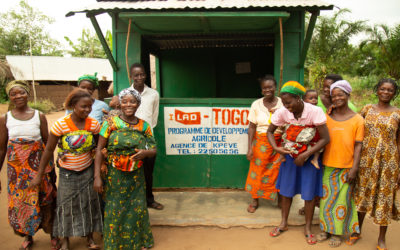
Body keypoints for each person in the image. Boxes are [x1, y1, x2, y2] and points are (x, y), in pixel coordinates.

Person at [31, 89, 103, 250]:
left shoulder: (93, 124)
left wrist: (99, 172)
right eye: (83, 106)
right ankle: (65, 240)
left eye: (89, 107)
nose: (87, 110)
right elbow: (49, 150)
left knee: (88, 204)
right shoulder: (61, 124)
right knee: (65, 206)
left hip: (88, 170)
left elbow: (99, 148)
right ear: (72, 106)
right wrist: (39, 174)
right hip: (67, 173)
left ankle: (89, 238)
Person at [267, 81, 330, 245]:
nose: (287, 106)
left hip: (309, 158)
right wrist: (277, 148)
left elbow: (325, 138)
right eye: (284, 103)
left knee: (308, 193)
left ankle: (308, 228)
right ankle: (283, 223)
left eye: (289, 102)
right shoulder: (283, 112)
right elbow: (270, 131)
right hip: (290, 156)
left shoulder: (314, 111)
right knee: (286, 191)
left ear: (298, 98)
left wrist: (306, 155)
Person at [94, 88, 156, 250]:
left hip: (136, 176)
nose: (128, 105)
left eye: (132, 102)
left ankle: (140, 241)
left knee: (137, 206)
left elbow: (154, 149)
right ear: (120, 104)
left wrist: (145, 153)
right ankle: (115, 244)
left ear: (138, 104)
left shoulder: (144, 126)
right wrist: (97, 177)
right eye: (125, 101)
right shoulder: (110, 123)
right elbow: (100, 149)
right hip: (114, 175)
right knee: (115, 207)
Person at [0, 80, 58, 250]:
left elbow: (47, 144)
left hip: (39, 167)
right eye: (13, 94)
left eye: (21, 92)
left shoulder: (39, 116)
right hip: (16, 171)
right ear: (9, 97)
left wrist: (50, 169)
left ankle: (53, 234)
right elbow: (2, 148)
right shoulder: (5, 118)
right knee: (22, 203)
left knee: (46, 198)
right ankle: (27, 235)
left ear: (28, 93)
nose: (18, 96)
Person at [353, 78, 400, 250]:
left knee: (384, 199)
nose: (386, 92)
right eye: (383, 89)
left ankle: (381, 238)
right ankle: (357, 231)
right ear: (377, 90)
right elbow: (354, 127)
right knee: (362, 195)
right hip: (366, 161)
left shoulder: (398, 113)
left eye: (390, 90)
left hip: (389, 163)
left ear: (394, 93)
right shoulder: (366, 109)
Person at [317, 80, 364, 248]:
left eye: (340, 95)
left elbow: (358, 145)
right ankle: (325, 229)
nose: (337, 98)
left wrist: (355, 167)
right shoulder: (327, 116)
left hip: (347, 166)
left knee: (341, 201)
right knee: (326, 199)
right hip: (328, 164)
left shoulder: (358, 119)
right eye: (334, 95)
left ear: (348, 95)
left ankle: (337, 233)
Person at [244, 75, 283, 213]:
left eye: (270, 87)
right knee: (257, 172)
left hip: (279, 143)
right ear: (261, 90)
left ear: (275, 87)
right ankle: (255, 200)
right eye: (264, 88)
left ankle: (280, 199)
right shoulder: (256, 104)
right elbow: (251, 127)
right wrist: (249, 148)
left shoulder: (283, 103)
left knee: (278, 171)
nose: (268, 90)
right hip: (260, 143)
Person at [129, 63, 162, 210]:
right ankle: (134, 202)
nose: (139, 77)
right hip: (129, 138)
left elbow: (154, 118)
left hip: (148, 138)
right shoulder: (125, 93)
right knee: (130, 171)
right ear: (131, 76)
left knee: (148, 173)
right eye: (136, 75)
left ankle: (149, 200)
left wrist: (147, 131)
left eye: (142, 74)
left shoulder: (153, 94)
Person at [275, 89, 322, 169]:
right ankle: (282, 156)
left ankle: (315, 159)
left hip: (312, 135)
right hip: (297, 135)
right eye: (311, 98)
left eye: (316, 98)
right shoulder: (290, 111)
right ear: (302, 100)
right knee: (285, 139)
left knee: (318, 143)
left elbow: (324, 134)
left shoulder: (317, 110)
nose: (314, 100)